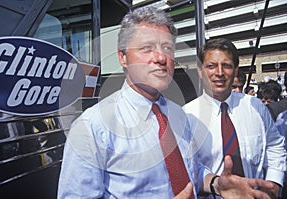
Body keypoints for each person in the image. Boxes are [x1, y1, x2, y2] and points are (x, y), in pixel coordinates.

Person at [58, 8, 275, 199]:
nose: (161, 58)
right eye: (147, 48)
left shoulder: (179, 115)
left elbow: (191, 171)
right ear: (123, 57)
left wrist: (216, 184)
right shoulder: (92, 128)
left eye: (168, 49)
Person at [182, 38, 286, 199]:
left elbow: (274, 146)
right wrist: (215, 184)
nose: (219, 72)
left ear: (236, 70)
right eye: (211, 66)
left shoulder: (256, 107)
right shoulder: (186, 116)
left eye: (226, 65)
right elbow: (188, 168)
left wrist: (274, 183)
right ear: (200, 71)